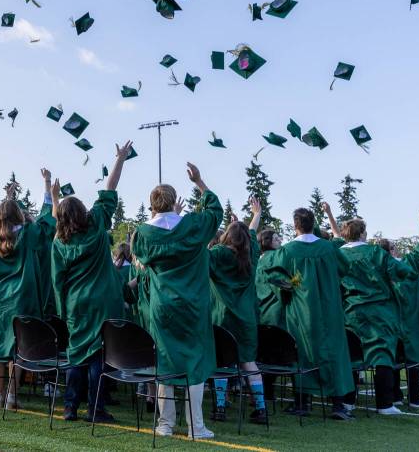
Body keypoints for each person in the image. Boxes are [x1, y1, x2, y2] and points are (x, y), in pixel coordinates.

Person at [132, 160, 220, 439]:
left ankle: (165, 424)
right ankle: (196, 425)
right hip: (193, 304)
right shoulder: (193, 226)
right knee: (194, 361)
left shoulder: (143, 234)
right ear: (173, 202)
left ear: (152, 204)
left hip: (163, 305)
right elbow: (215, 210)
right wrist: (199, 181)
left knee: (165, 362)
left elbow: (142, 260)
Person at [327, 205, 419, 415]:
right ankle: (385, 404)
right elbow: (403, 271)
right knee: (382, 356)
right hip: (379, 312)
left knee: (351, 357)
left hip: (349, 313)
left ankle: (347, 402)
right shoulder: (375, 252)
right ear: (363, 233)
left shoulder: (337, 254)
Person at [54, 142, 132, 424]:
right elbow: (109, 189)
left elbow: (57, 279)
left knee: (76, 354)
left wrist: (62, 310)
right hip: (103, 300)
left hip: (77, 303)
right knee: (100, 353)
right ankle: (95, 409)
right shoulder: (97, 223)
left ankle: (69, 407)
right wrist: (119, 159)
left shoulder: (59, 243)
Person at [263, 207, 354, 420]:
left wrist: (288, 286)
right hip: (330, 308)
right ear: (313, 224)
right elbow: (345, 268)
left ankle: (302, 403)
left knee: (303, 353)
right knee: (334, 353)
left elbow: (274, 276)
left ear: (295, 226)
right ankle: (338, 405)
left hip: (301, 310)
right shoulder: (329, 248)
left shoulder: (287, 251)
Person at [0, 169, 56, 410]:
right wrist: (47, 188)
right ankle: (13, 395)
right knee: (18, 348)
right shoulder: (28, 233)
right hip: (23, 298)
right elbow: (47, 221)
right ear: (18, 216)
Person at [209, 197, 267, 424]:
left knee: (223, 363)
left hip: (223, 318)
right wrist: (256, 215)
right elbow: (251, 234)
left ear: (226, 237)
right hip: (247, 319)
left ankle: (220, 408)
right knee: (248, 362)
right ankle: (261, 409)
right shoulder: (251, 254)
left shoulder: (219, 254)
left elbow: (201, 257)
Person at [375, 211, 419, 407]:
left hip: (389, 323)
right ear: (391, 252)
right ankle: (415, 397)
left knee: (392, 359)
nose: (397, 250)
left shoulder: (377, 272)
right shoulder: (407, 265)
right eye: (394, 247)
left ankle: (395, 395)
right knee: (413, 361)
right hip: (411, 322)